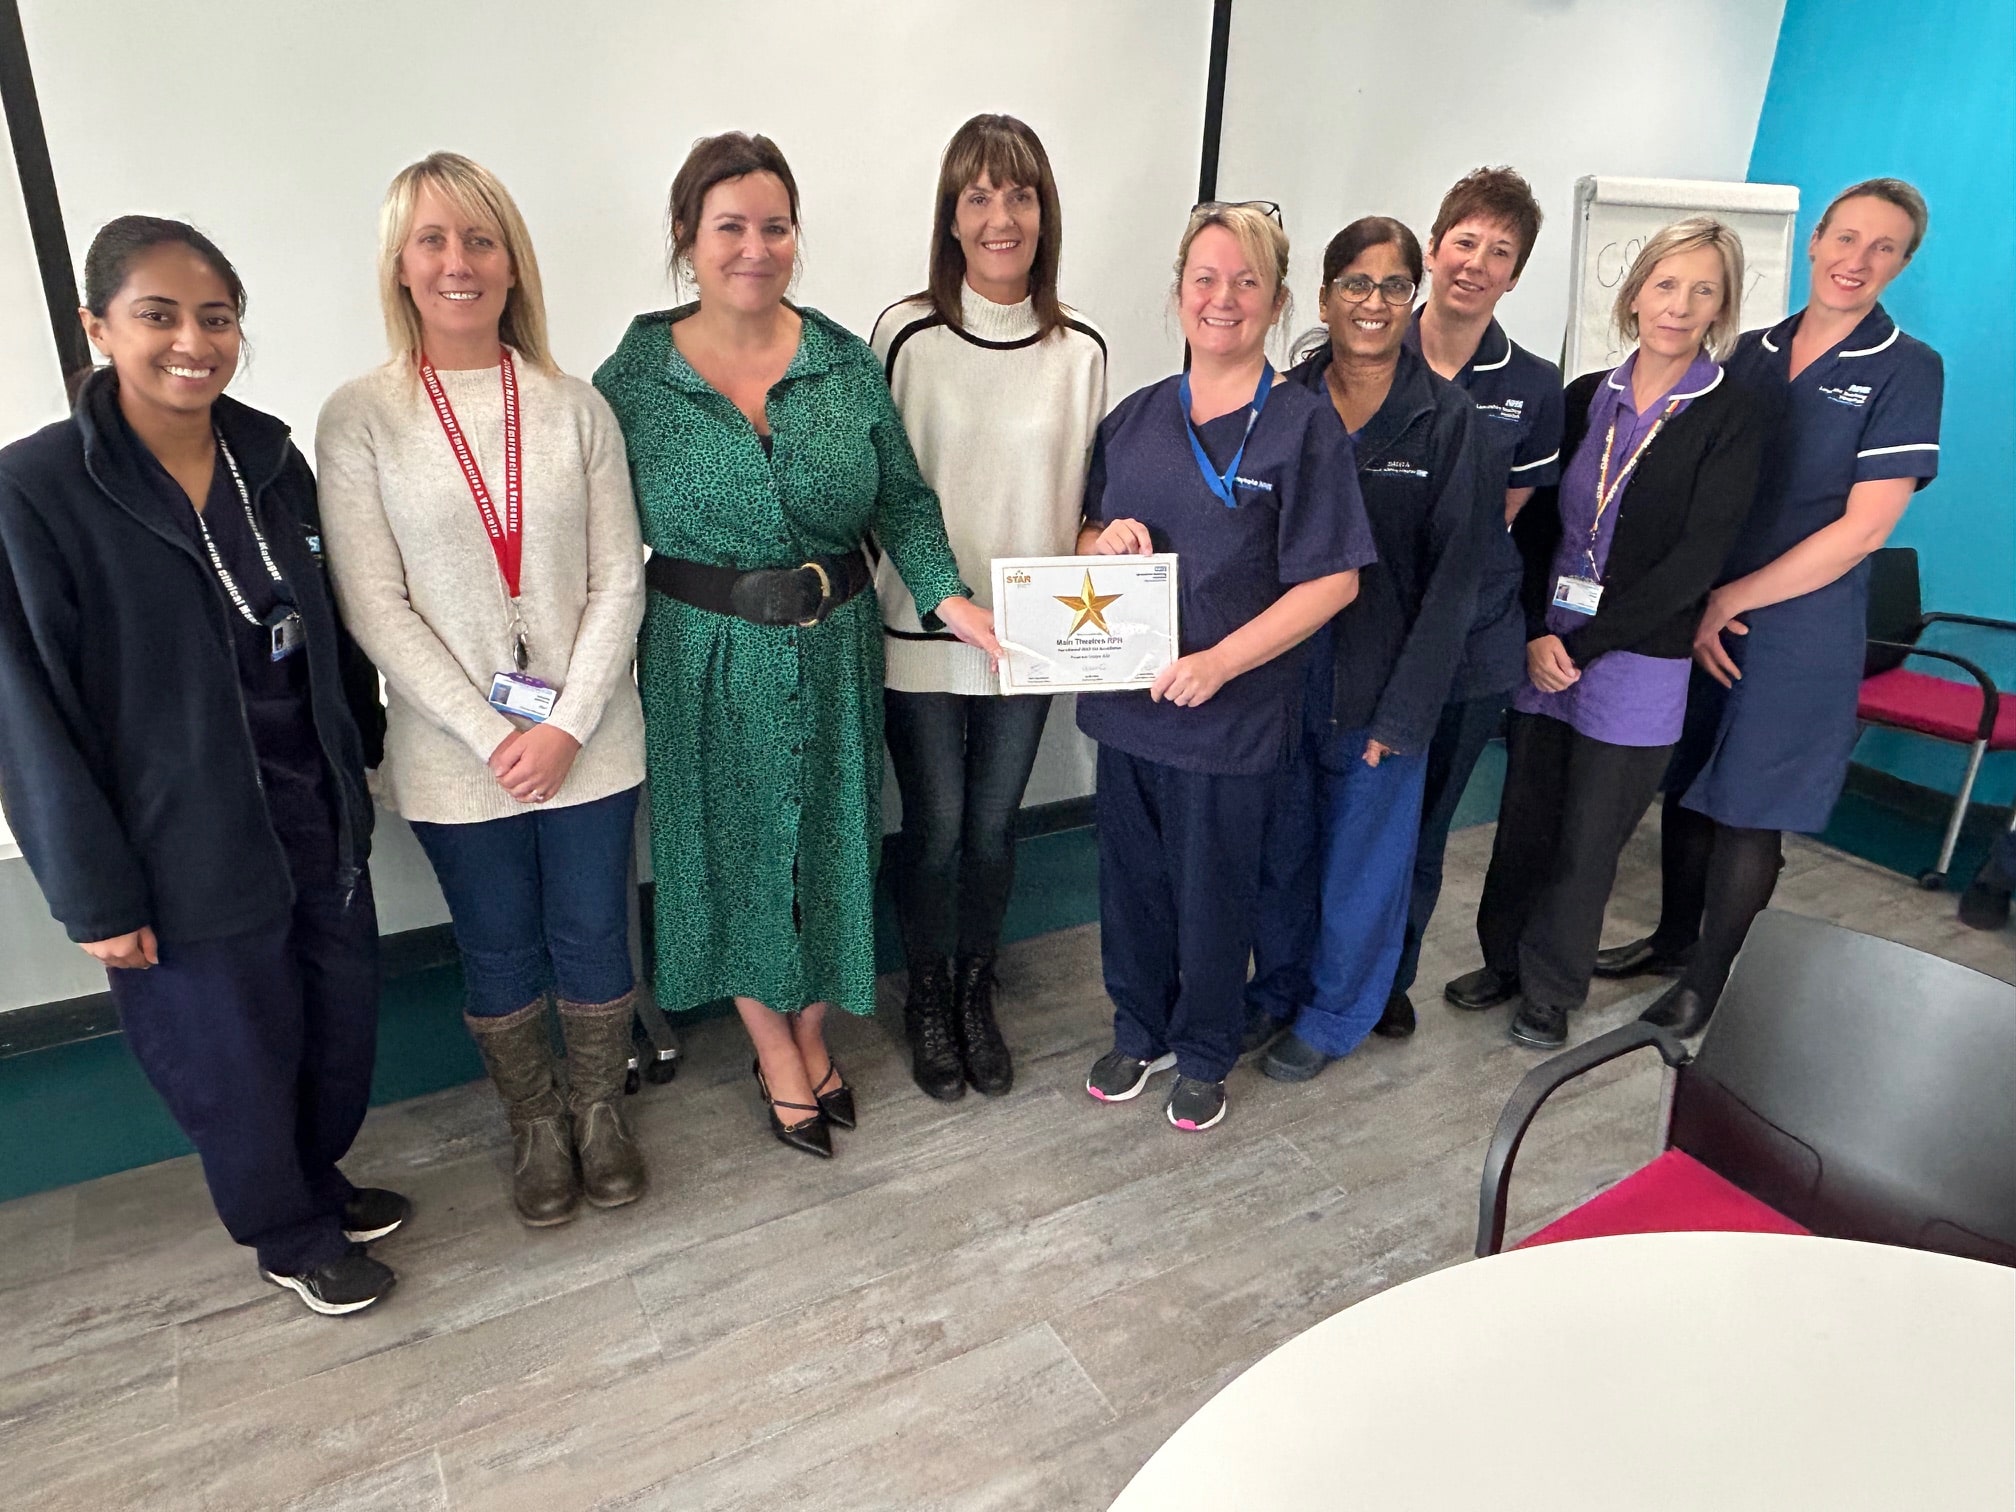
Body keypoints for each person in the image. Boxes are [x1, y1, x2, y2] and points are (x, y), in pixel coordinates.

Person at [0, 217, 401, 1315]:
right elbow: (23, 711)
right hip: (178, 837)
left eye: (216, 318)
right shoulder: (35, 489)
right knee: (232, 1048)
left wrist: (359, 753)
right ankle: (286, 1230)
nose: (193, 341)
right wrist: (94, 894)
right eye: (158, 315)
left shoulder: (269, 457)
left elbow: (329, 622)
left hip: (310, 803)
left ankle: (317, 1179)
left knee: (333, 1014)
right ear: (96, 328)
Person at [594, 132, 997, 1158]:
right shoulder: (632, 378)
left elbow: (903, 504)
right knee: (724, 850)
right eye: (729, 224)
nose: (755, 246)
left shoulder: (842, 362)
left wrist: (952, 602)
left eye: (775, 224)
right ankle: (774, 1048)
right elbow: (587, 530)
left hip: (836, 649)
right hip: (700, 655)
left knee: (832, 846)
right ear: (687, 236)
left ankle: (815, 1029)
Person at [318, 153, 650, 1225]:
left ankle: (602, 1113)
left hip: (590, 738)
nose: (458, 262)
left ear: (512, 264)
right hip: (451, 757)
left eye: (480, 240)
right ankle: (536, 1126)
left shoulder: (574, 405)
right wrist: (485, 730)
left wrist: (563, 725)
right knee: (499, 942)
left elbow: (619, 579)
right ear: (400, 267)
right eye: (433, 241)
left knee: (596, 933)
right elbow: (373, 606)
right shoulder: (360, 417)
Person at [1599, 181, 1944, 1035]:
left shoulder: (1906, 368)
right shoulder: (1748, 351)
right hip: (1708, 606)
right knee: (1688, 787)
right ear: (1816, 240)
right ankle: (1673, 941)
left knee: (1751, 811)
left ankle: (1708, 990)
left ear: (1903, 264)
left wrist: (1732, 600)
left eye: (1884, 248)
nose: (1857, 261)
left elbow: (1865, 529)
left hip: (1801, 625)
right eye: (1847, 238)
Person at [1079, 202, 1373, 1131]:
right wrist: (1102, 540)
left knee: (1214, 893)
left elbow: (1332, 584)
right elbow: (1082, 536)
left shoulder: (1301, 429)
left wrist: (1218, 663)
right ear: (1177, 296)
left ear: (1279, 301)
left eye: (1247, 281)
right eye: (1205, 278)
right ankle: (1140, 1024)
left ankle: (1204, 1045)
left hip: (1232, 713)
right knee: (1131, 881)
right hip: (1130, 707)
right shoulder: (1133, 420)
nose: (1223, 298)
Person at [1445, 217, 1765, 1049]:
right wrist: (1529, 634)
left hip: (1636, 658)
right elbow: (1536, 522)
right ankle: (1504, 960)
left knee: (1591, 837)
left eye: (1702, 290)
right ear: (1635, 292)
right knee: (1526, 819)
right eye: (1665, 284)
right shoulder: (1586, 394)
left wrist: (1578, 647)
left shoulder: (1731, 413)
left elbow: (1696, 562)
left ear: (1722, 305)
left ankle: (1551, 989)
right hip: (1544, 643)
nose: (1679, 305)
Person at [872, 114, 1107, 1102]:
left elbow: (1085, 497)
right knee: (934, 826)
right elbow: (878, 491)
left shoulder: (1082, 348)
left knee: (993, 828)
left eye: (1020, 195)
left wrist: (1105, 540)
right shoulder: (905, 334)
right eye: (979, 196)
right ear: (951, 216)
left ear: (1044, 213)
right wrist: (942, 593)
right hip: (920, 633)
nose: (1001, 217)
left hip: (1030, 642)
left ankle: (976, 989)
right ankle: (928, 997)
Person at [1244, 216, 1483, 1081]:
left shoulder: (1447, 421)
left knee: (1361, 868)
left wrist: (1408, 711)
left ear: (1412, 298)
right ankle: (1273, 990)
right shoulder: (1282, 405)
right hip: (1281, 678)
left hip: (1381, 684)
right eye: (1355, 283)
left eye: (1392, 286)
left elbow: (1458, 581)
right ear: (1323, 296)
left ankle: (1336, 1013)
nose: (1373, 303)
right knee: (1282, 853)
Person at [1382, 167, 1565, 1038]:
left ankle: (1389, 978)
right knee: (1346, 810)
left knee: (1423, 823)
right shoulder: (1364, 349)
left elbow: (1497, 526)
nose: (1476, 264)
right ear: (1432, 246)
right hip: (1364, 629)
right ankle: (1320, 967)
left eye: (1500, 253)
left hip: (1471, 639)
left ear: (1516, 274)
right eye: (1465, 242)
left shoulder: (1532, 384)